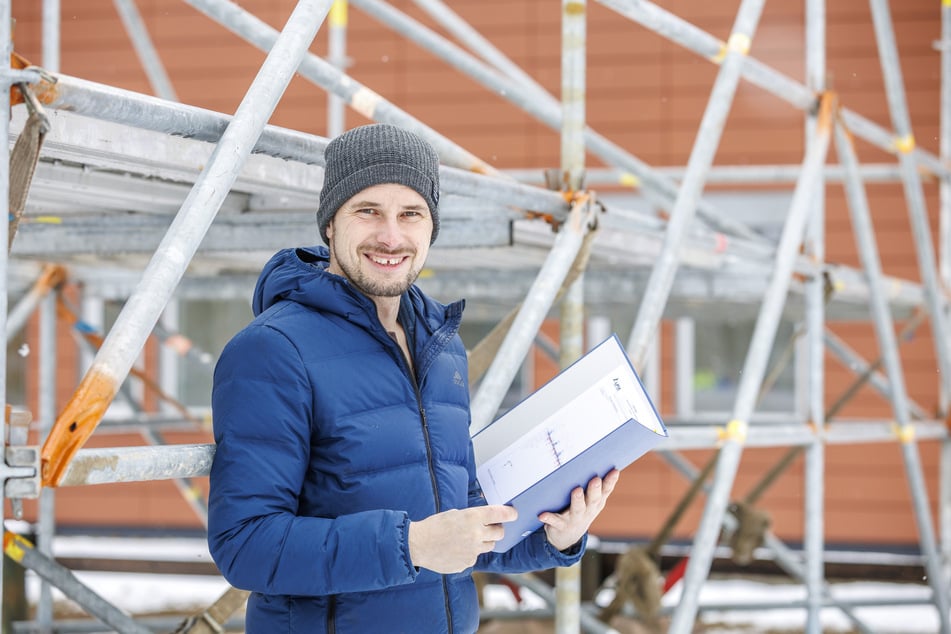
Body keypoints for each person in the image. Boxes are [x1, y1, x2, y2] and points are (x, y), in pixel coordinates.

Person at [207, 123, 620, 633]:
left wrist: (555, 536)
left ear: (431, 227)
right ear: (330, 225)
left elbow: (460, 527)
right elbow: (245, 545)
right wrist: (413, 545)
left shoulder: (440, 348)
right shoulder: (273, 351)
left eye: (411, 214)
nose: (391, 235)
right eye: (367, 211)